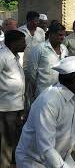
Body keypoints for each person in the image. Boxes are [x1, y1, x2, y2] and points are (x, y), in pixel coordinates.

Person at [0, 30, 26, 168]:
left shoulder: (14, 56)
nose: (25, 44)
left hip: (17, 105)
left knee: (14, 136)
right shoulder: (2, 56)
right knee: (6, 140)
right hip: (6, 107)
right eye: (23, 42)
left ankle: (12, 160)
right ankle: (4, 164)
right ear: (14, 43)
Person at [27, 22, 69, 101]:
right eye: (60, 35)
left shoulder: (64, 49)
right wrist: (40, 85)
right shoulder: (39, 49)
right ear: (51, 34)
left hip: (61, 92)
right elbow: (31, 72)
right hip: (43, 92)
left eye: (64, 35)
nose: (63, 37)